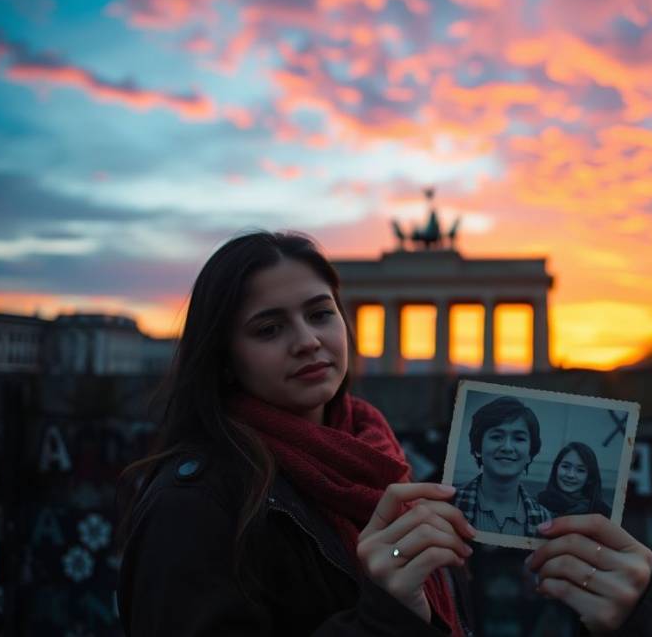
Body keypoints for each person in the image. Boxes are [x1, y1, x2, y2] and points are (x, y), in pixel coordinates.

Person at [116, 231, 476, 636]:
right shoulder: (192, 505)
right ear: (224, 358)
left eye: (320, 313)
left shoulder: (375, 458)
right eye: (269, 329)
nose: (307, 341)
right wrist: (383, 617)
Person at [452, 396, 554, 537]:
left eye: (518, 438)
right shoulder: (450, 504)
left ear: (530, 453)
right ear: (478, 448)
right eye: (496, 437)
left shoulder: (544, 518)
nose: (507, 447)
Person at [537, 442, 612, 518]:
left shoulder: (602, 514)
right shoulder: (537, 504)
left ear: (590, 477)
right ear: (556, 468)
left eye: (580, 470)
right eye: (565, 466)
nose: (571, 475)